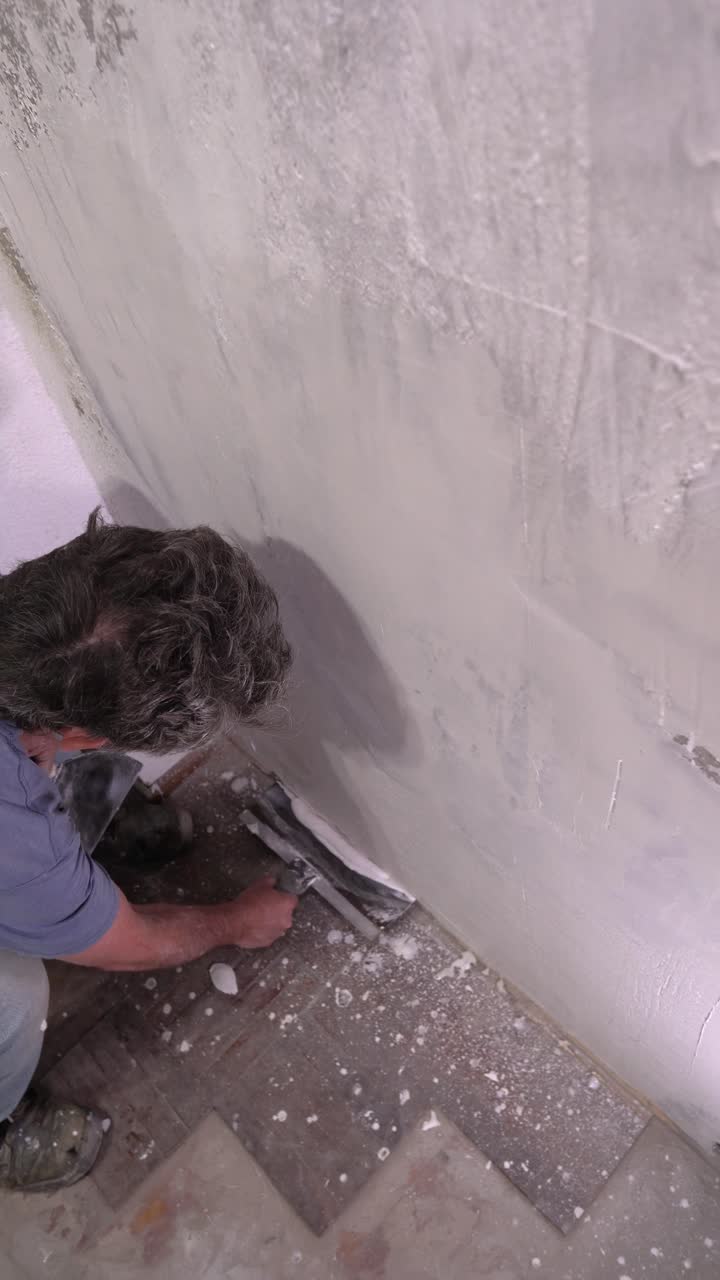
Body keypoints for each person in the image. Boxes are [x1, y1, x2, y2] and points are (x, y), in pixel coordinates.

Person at [0, 511, 298, 1191]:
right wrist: (237, 923)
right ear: (73, 728)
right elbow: (126, 945)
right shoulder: (21, 844)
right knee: (13, 993)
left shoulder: (17, 629)